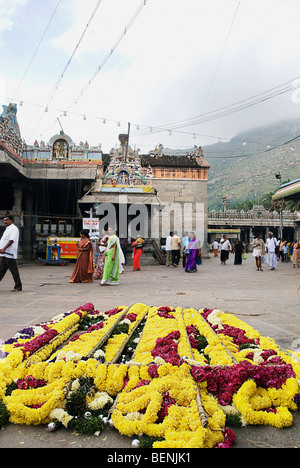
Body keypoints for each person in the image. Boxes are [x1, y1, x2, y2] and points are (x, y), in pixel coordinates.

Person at [0, 215, 22, 292]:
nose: (4, 222)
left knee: (14, 271)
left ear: (11, 220)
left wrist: (4, 248)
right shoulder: (8, 229)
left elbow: (11, 240)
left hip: (9, 254)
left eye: (6, 220)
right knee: (1, 270)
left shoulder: (13, 229)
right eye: (4, 220)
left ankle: (18, 286)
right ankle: (18, 286)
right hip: (4, 254)